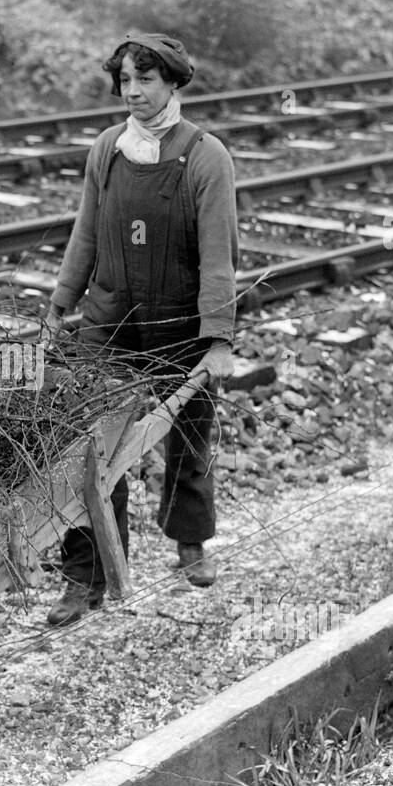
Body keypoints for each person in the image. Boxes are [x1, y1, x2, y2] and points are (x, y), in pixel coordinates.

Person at [41, 32, 238, 627]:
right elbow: (85, 233)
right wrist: (59, 304)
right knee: (91, 447)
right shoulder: (107, 150)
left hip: (180, 320)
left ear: (173, 82)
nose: (133, 92)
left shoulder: (206, 156)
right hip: (110, 319)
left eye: (145, 80)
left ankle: (190, 542)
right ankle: (88, 575)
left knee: (189, 436)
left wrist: (219, 337)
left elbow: (219, 254)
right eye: (125, 80)